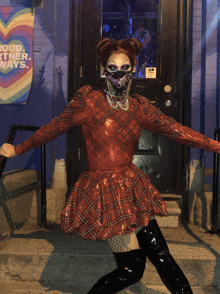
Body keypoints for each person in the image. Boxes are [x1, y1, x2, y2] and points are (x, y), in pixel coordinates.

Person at [1, 37, 220, 294]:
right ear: (104, 70)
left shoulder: (138, 107)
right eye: (112, 67)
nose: (119, 73)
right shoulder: (89, 102)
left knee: (157, 255)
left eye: (125, 67)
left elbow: (177, 131)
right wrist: (17, 149)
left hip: (131, 189)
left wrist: (216, 146)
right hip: (106, 194)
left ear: (133, 70)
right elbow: (53, 128)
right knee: (132, 268)